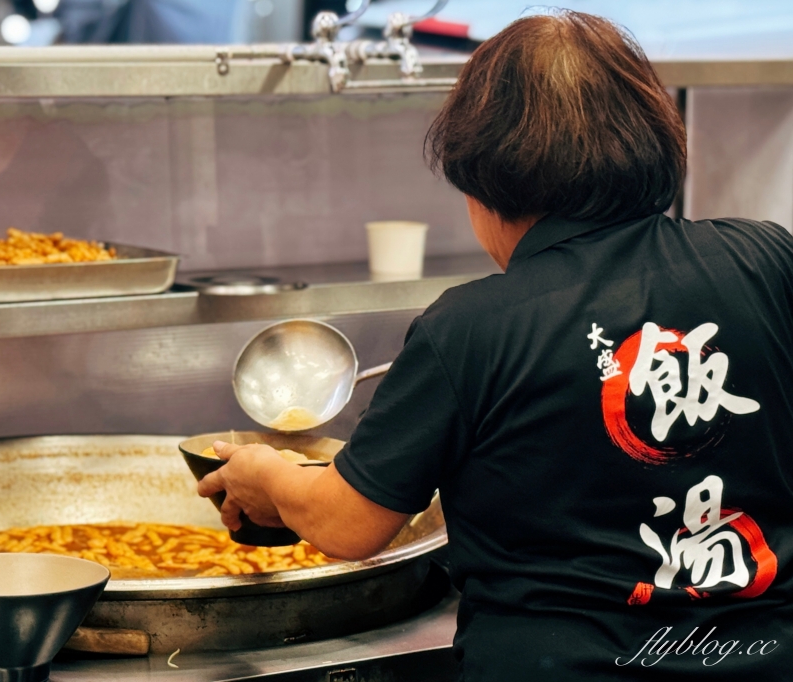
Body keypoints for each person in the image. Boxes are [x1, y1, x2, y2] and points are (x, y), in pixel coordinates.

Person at [197, 10, 793, 681]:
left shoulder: (470, 327)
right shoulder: (766, 258)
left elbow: (347, 525)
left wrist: (264, 474)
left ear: (484, 181)